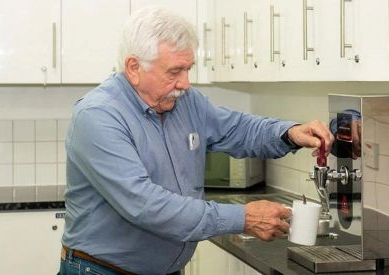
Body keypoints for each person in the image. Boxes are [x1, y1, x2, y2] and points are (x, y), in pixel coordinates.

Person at [59, 7, 334, 275]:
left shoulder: (185, 102)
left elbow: (238, 129)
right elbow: (146, 206)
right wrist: (242, 218)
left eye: (188, 69)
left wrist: (289, 133)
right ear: (134, 67)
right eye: (174, 71)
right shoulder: (99, 116)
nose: (185, 84)